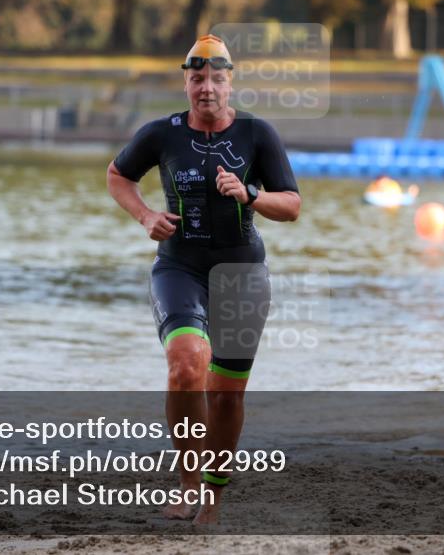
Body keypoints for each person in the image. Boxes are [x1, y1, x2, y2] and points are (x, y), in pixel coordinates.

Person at [106, 34, 301, 524]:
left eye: (216, 79)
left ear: (230, 83)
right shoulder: (161, 134)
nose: (206, 89)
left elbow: (292, 206)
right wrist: (145, 215)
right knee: (186, 364)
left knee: (227, 393)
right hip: (179, 267)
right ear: (186, 83)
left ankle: (213, 494)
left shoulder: (258, 134)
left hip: (242, 273)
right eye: (197, 79)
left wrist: (250, 195)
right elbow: (117, 175)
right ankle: (188, 483)